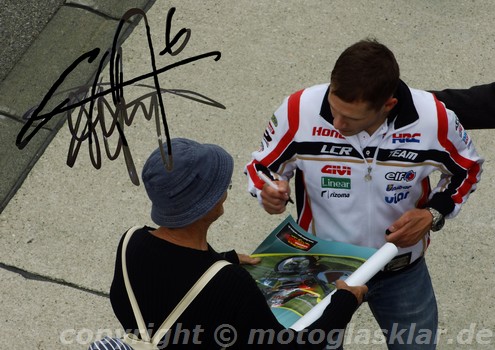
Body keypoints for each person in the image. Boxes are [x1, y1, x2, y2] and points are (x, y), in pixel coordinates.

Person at [245, 39, 484, 349]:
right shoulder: (298, 110)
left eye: (351, 119)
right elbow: (261, 165)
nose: (336, 123)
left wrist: (434, 213)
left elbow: (468, 169)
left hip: (400, 270)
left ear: (388, 106)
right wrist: (268, 188)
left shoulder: (434, 120)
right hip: (320, 269)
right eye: (333, 109)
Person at [102, 137, 368, 349]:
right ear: (204, 205)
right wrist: (344, 302)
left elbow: (170, 280)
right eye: (222, 187)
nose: (225, 193)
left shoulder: (131, 242)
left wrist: (225, 259)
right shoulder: (230, 284)